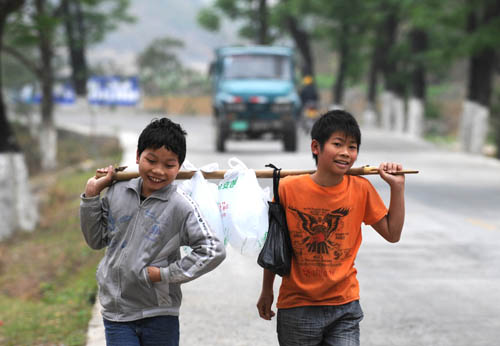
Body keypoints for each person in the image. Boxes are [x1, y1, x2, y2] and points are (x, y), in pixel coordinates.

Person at [256, 109, 405, 346]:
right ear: (316, 147)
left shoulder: (361, 189)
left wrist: (397, 188)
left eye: (352, 147)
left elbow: (392, 233)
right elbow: (275, 245)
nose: (346, 153)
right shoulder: (287, 189)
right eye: (338, 144)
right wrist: (267, 290)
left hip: (344, 305)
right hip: (298, 307)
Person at [80, 117, 226, 346]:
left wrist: (165, 274)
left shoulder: (180, 206)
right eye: (151, 160)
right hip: (117, 312)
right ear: (138, 155)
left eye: (169, 165)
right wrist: (91, 195)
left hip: (160, 313)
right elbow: (96, 240)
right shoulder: (116, 191)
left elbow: (213, 250)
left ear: (179, 167)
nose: (158, 170)